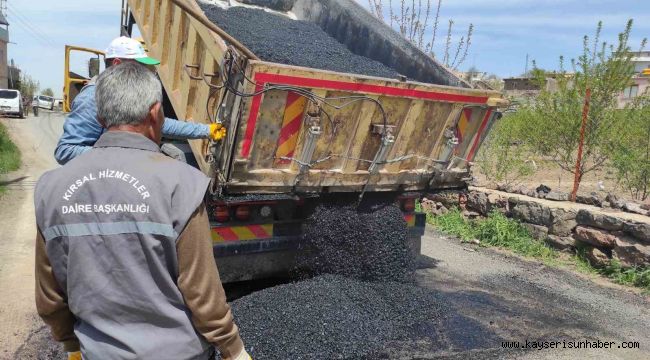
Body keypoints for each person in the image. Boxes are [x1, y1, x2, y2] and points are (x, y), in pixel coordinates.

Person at [34, 62, 250, 360]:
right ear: (155, 113)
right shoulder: (182, 184)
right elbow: (201, 291)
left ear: (100, 117)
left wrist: (70, 344)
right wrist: (233, 349)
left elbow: (49, 296)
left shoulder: (51, 188)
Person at [54, 36, 225, 165]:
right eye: (140, 66)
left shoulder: (129, 94)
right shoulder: (92, 97)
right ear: (116, 63)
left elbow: (160, 124)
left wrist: (206, 130)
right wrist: (123, 155)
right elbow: (65, 151)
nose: (146, 72)